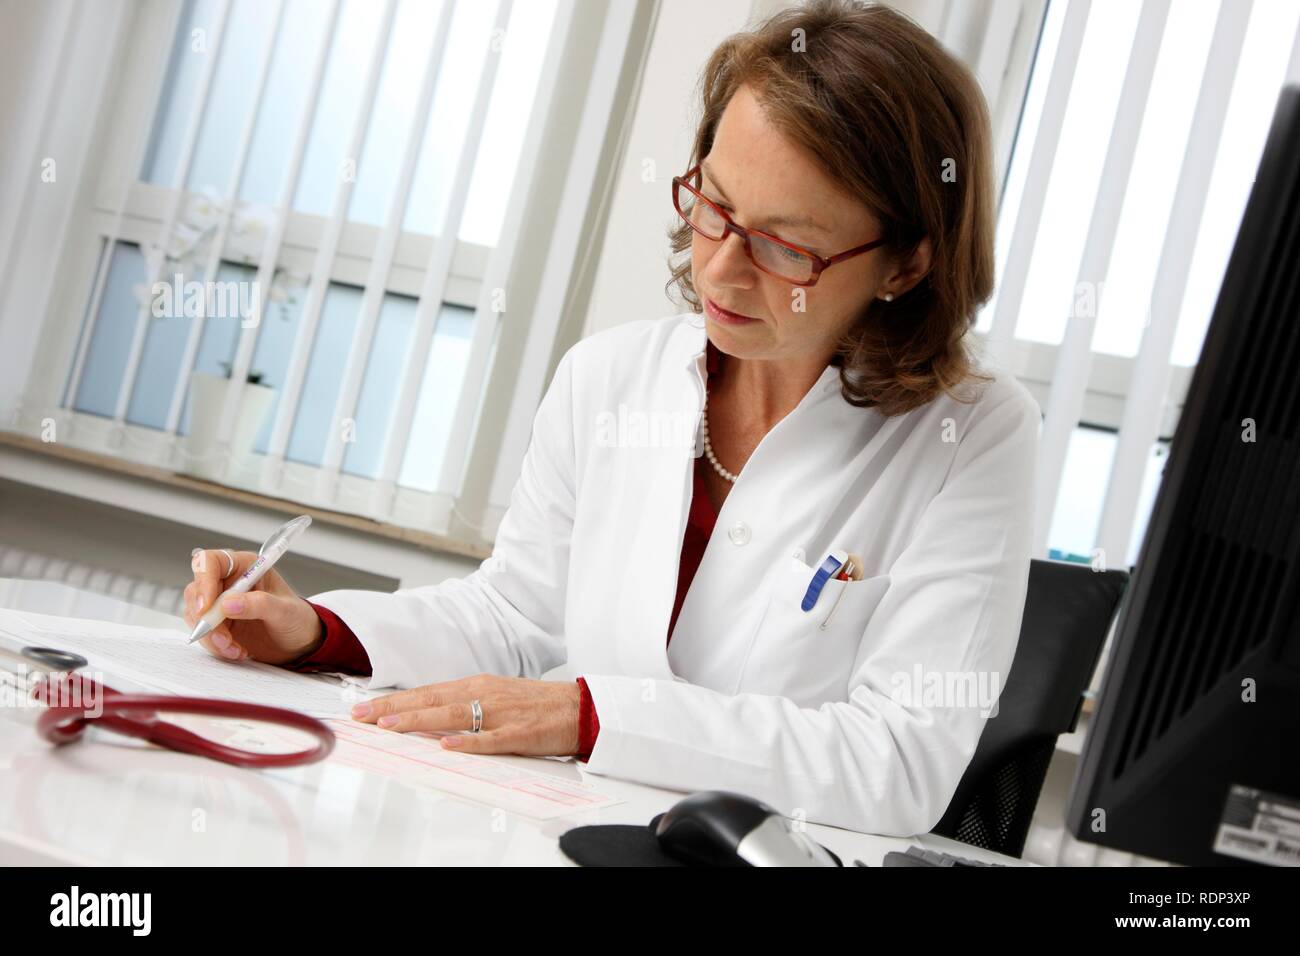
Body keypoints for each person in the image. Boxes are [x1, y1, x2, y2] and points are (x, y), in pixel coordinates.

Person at [183, 0, 1040, 836]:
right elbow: (514, 616)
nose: (724, 272)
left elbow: (898, 761)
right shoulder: (612, 375)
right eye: (714, 206)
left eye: (786, 247)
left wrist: (590, 716)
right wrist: (320, 632)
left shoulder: (975, 436)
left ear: (907, 262)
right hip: (574, 832)